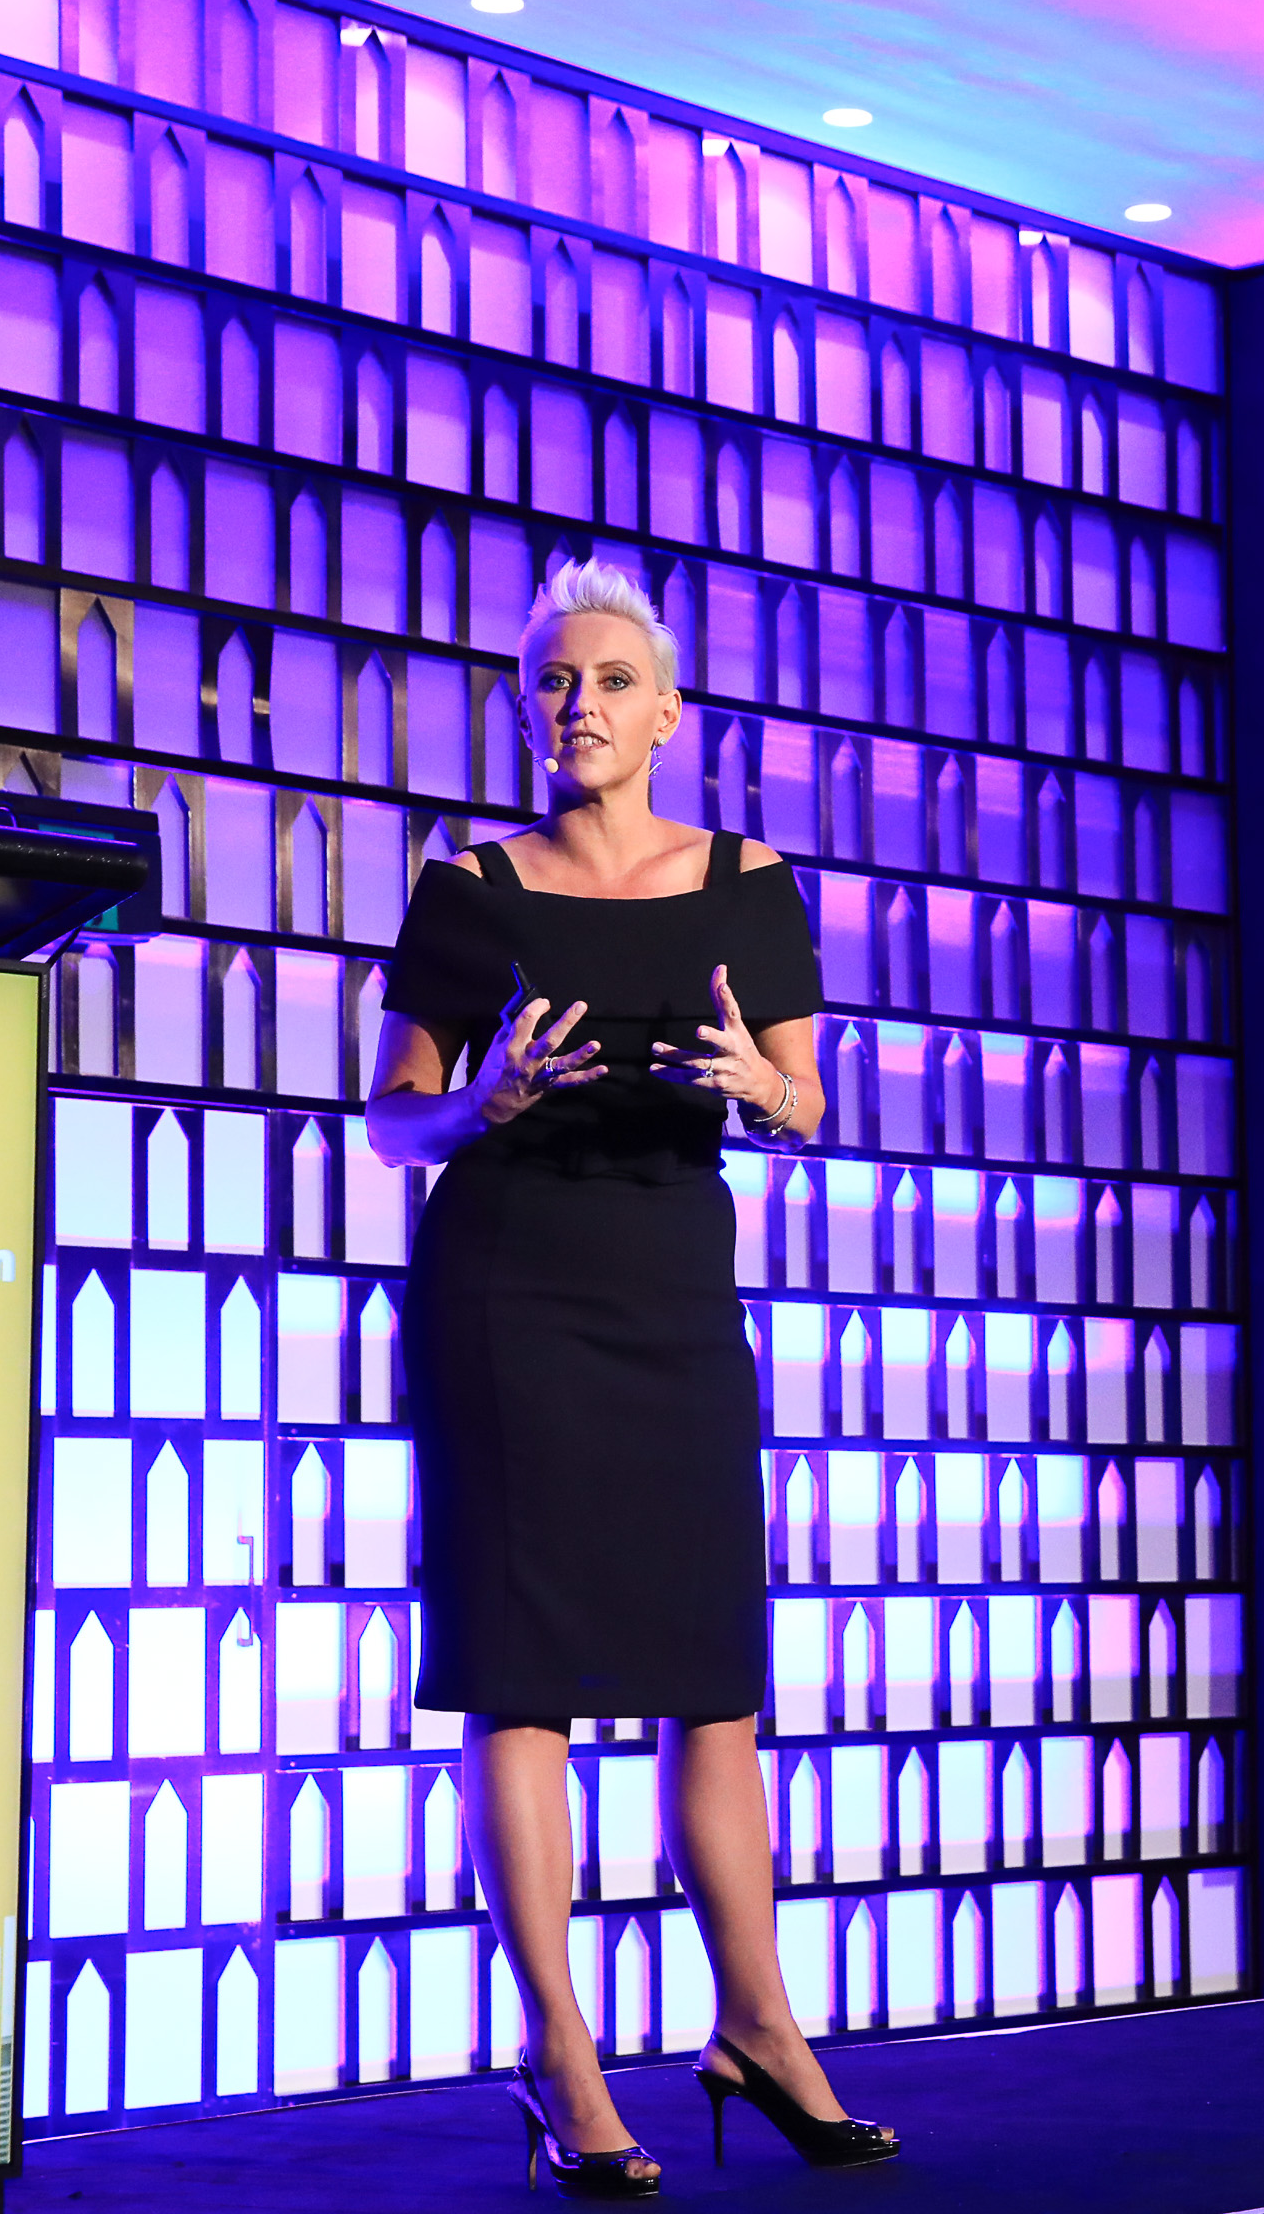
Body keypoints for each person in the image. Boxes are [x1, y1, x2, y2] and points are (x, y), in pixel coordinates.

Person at [366, 561, 896, 2198]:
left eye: (608, 680)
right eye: (551, 680)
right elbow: (390, 1119)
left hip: (673, 1290)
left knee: (711, 1678)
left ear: (668, 713)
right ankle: (564, 2058)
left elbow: (807, 1103)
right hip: (504, 1292)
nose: (577, 702)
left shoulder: (749, 882)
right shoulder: (469, 889)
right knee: (521, 1680)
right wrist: (482, 1104)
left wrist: (765, 1091)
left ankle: (761, 2029)